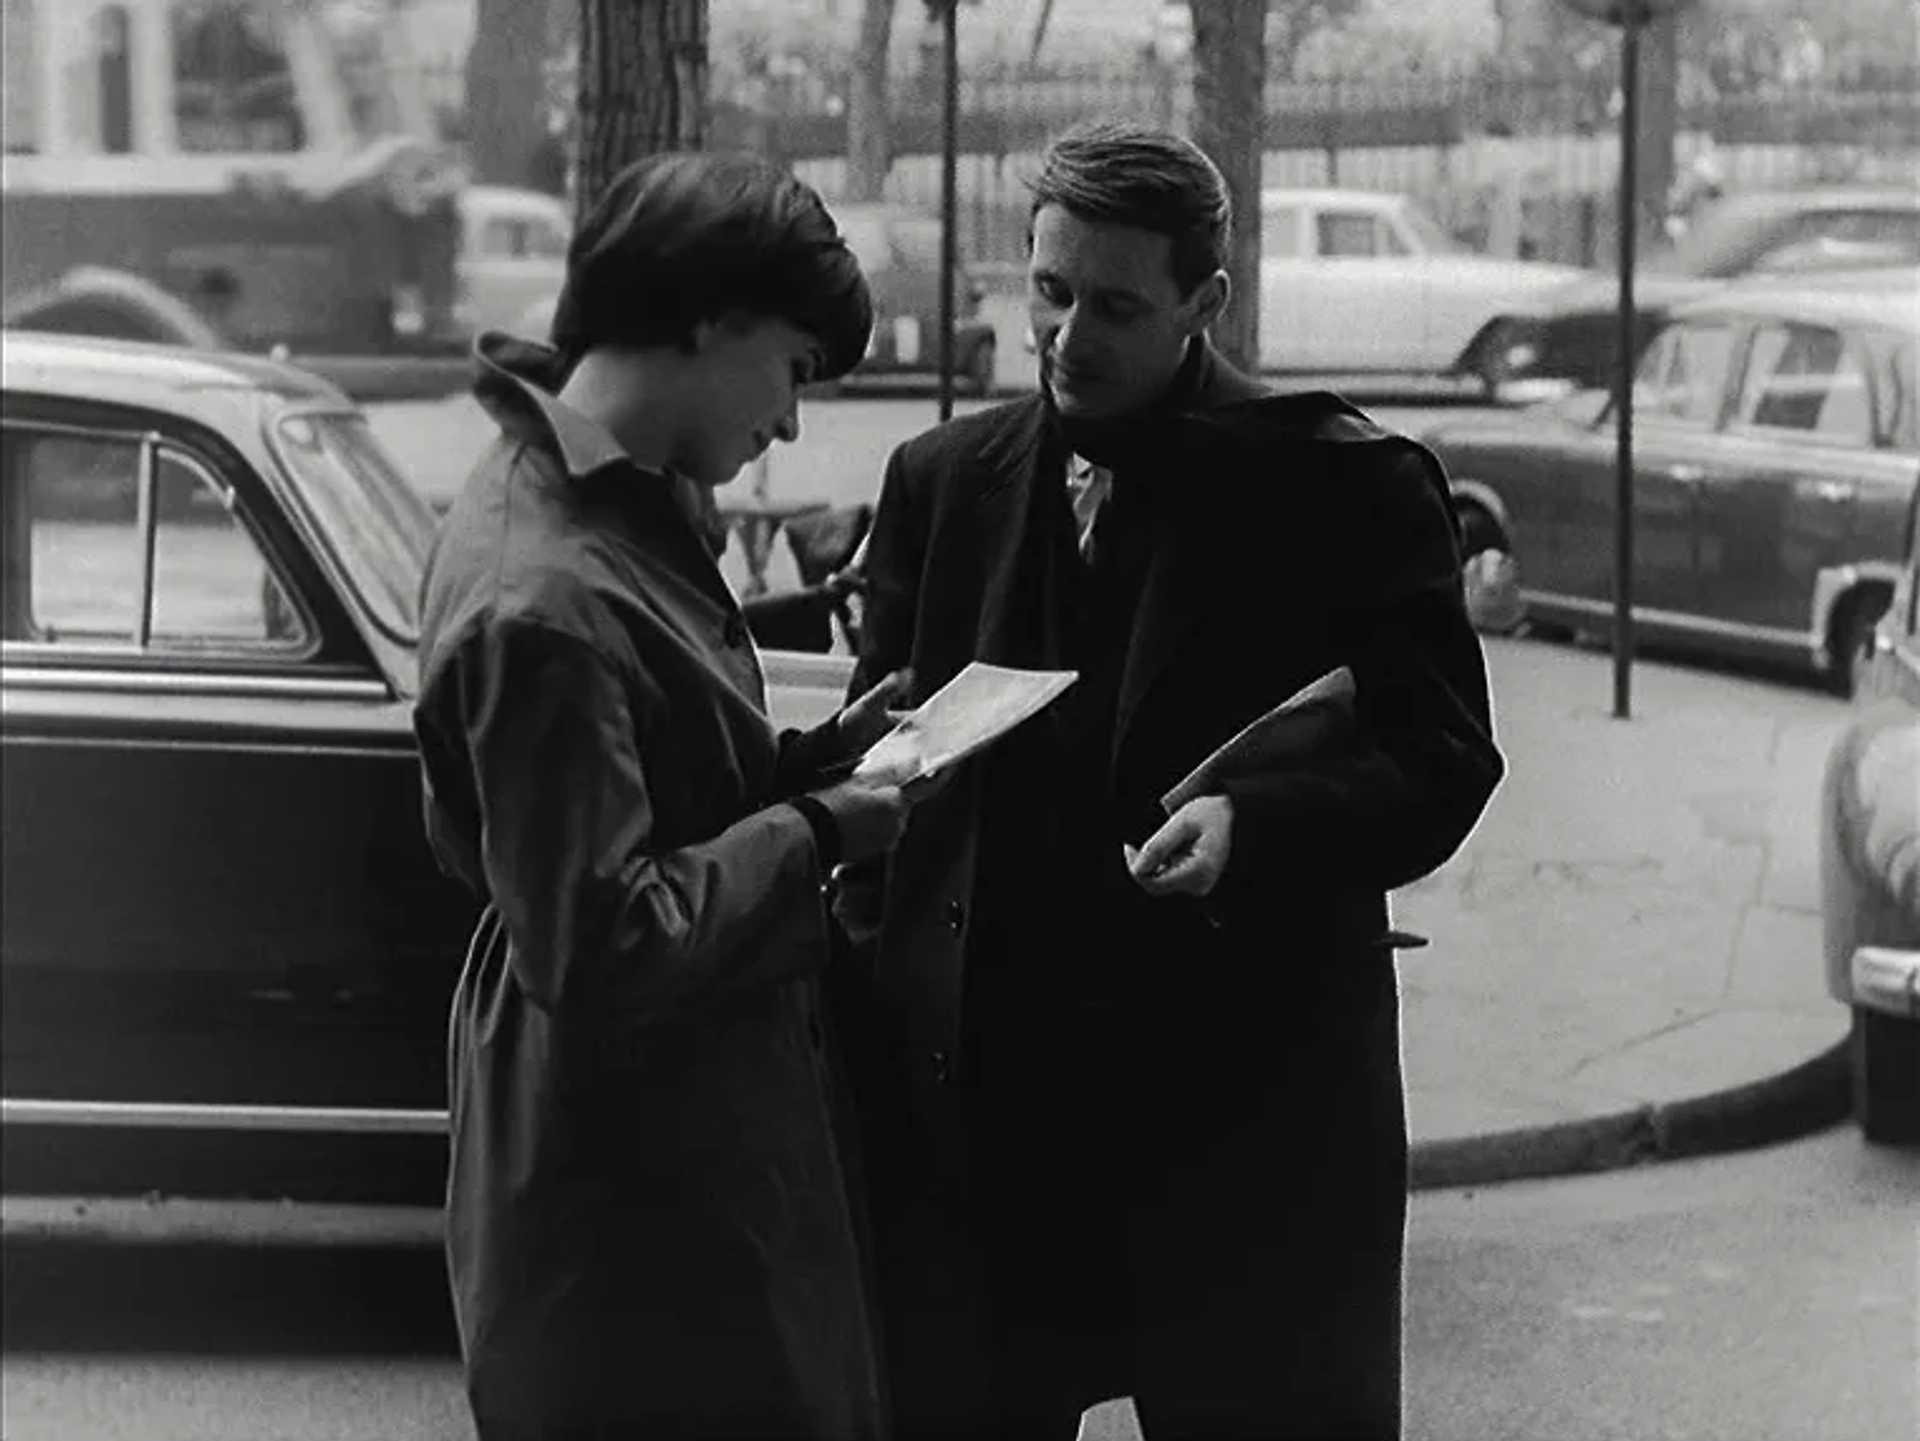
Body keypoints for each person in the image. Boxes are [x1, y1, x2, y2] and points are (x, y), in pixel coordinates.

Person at [830, 121, 1505, 1440]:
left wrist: (1256, 822)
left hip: (1244, 1125)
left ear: (1209, 302)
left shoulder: (1346, 484)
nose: (1070, 338)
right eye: (1049, 291)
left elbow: (1443, 761)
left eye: (1119, 307)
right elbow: (895, 783)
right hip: (996, 1126)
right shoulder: (942, 483)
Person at [412, 151, 914, 1441]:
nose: (794, 423)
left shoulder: (601, 503)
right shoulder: (552, 593)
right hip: (640, 1195)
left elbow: (643, 787)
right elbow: (601, 939)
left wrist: (808, 765)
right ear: (710, 321)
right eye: (794, 370)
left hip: (674, 1146)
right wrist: (812, 833)